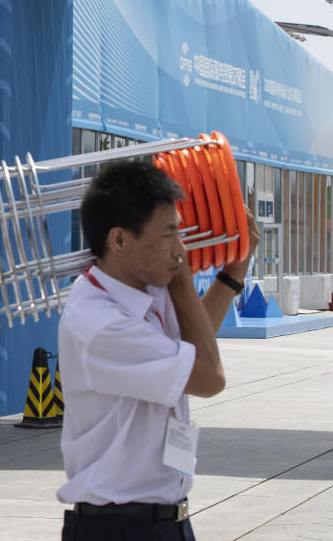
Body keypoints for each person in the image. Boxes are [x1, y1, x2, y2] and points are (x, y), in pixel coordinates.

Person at [58, 161, 259, 540]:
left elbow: (195, 344)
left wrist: (233, 272)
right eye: (169, 234)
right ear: (119, 240)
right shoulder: (101, 323)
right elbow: (208, 377)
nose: (179, 249)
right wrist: (182, 278)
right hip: (120, 527)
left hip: (161, 519)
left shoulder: (143, 287)